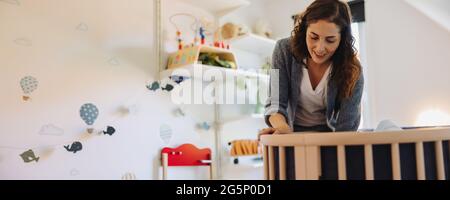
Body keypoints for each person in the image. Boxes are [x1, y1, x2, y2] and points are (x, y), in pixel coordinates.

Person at [259, 0, 364, 180]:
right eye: (313, 37)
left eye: (330, 40)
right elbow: (275, 102)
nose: (320, 48)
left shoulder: (352, 70)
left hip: (329, 141)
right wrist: (282, 128)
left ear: (342, 39)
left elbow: (347, 127)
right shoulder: (283, 50)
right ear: (304, 29)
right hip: (291, 135)